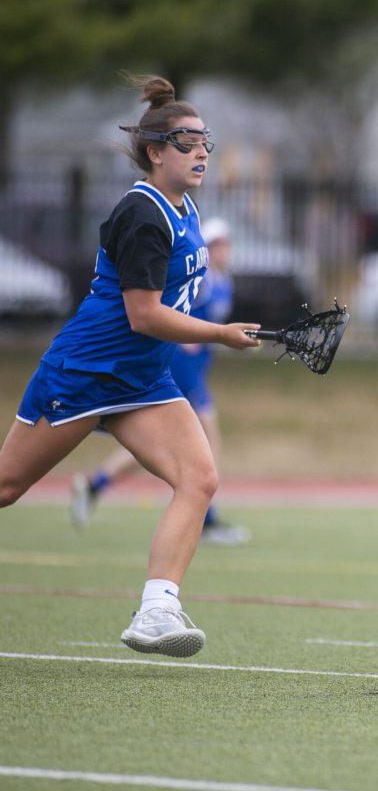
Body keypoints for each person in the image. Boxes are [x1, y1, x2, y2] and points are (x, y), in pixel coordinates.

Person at [0, 74, 260, 657]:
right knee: (7, 486)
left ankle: (157, 611)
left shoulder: (186, 208)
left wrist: (218, 329)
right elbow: (144, 315)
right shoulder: (143, 213)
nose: (200, 154)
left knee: (200, 479)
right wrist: (219, 333)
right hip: (85, 371)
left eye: (204, 144)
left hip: (142, 379)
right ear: (154, 151)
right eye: (186, 143)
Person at [70, 217, 249, 545]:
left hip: (197, 370)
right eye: (217, 244)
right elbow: (168, 308)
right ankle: (206, 521)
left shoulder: (225, 282)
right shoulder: (205, 280)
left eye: (227, 243)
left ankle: (96, 485)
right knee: (207, 440)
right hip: (181, 366)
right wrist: (185, 337)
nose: (224, 250)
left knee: (162, 446)